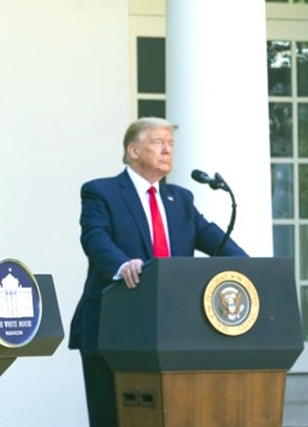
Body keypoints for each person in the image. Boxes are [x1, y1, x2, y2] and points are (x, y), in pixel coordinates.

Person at [68, 117, 247, 427]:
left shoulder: (180, 200)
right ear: (133, 150)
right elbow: (95, 238)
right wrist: (122, 264)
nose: (167, 149)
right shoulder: (101, 192)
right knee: (112, 418)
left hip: (172, 332)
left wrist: (251, 266)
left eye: (171, 144)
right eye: (157, 142)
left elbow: (212, 238)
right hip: (113, 325)